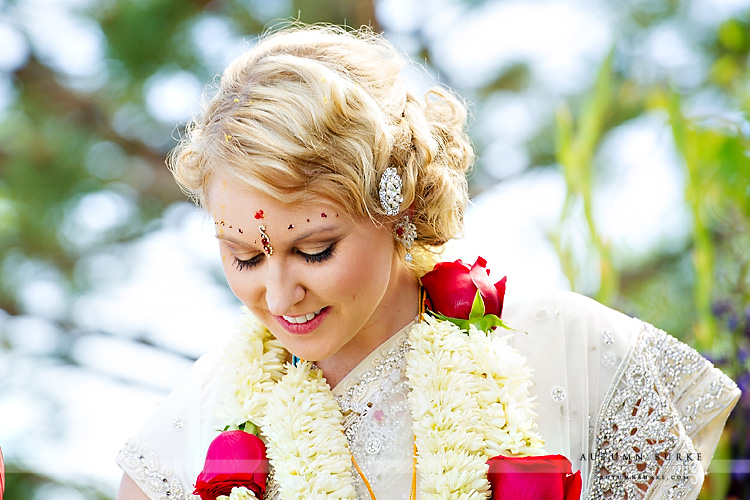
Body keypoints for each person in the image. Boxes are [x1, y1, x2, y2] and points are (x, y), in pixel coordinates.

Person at [116, 24, 740, 500]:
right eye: (245, 257)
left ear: (399, 203)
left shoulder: (564, 345)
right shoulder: (193, 429)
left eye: (315, 249)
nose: (280, 298)